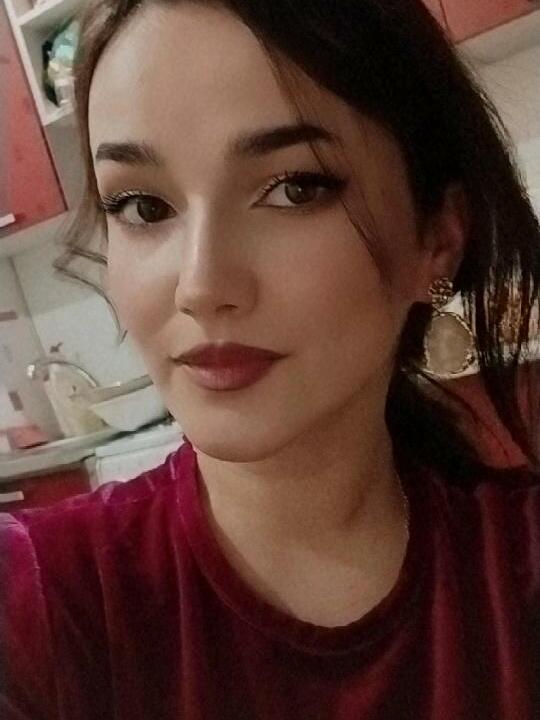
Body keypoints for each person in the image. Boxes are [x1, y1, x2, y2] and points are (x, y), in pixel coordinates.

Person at [2, 0, 540, 717]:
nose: (200, 286)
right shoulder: (39, 602)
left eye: (295, 188)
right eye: (142, 206)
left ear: (437, 239)